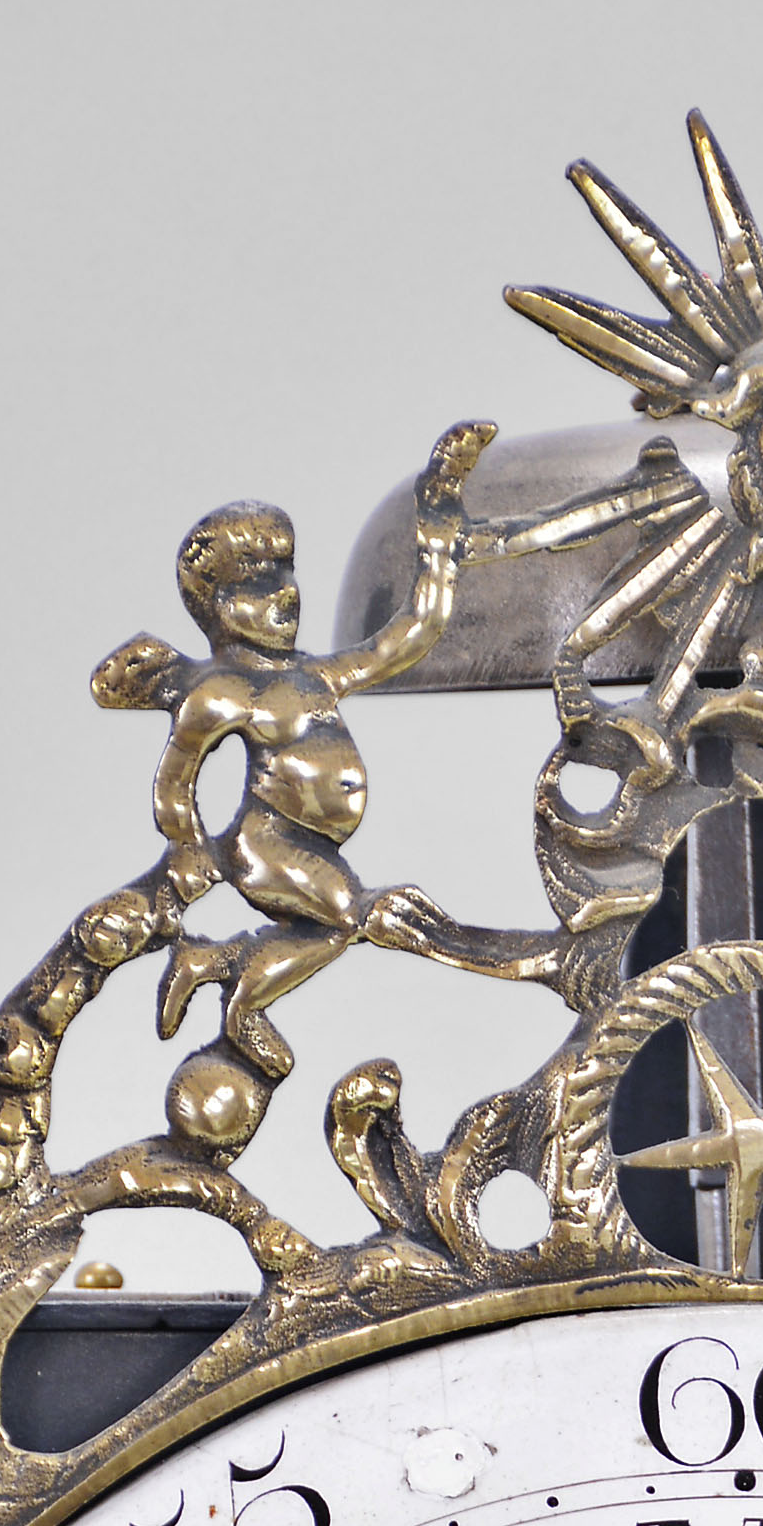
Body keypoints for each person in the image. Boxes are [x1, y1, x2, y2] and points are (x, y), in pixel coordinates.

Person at [87, 420, 495, 1123]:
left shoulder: (316, 675)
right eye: (258, 588)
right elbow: (175, 783)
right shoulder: (223, 692)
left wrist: (438, 542)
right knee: (350, 915)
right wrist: (191, 849)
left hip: (311, 846)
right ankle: (242, 1006)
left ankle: (212, 964)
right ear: (218, 609)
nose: (285, 598)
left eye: (287, 579)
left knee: (336, 926)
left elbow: (411, 636)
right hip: (266, 845)